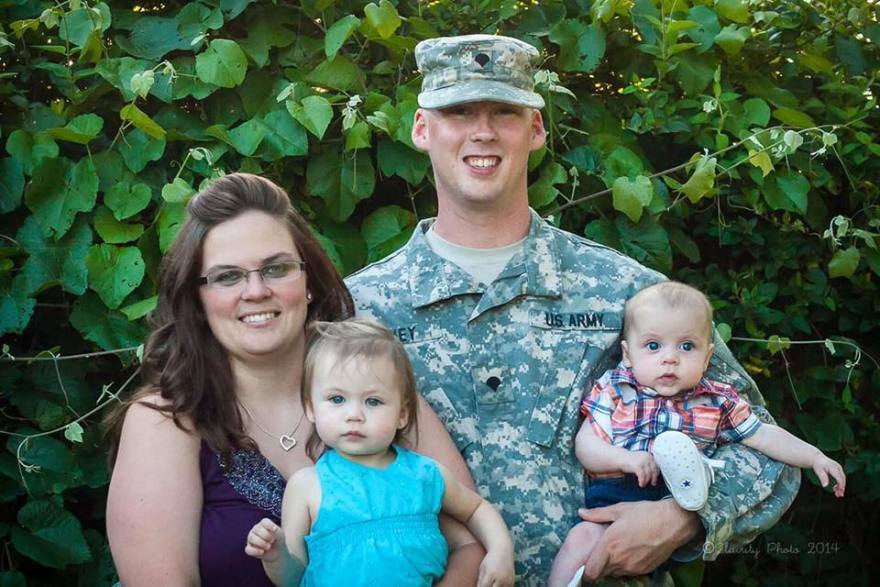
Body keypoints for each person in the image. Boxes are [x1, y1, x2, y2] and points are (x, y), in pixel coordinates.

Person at [344, 34, 801, 584]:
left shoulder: (625, 292)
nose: (483, 131)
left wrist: (680, 519)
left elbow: (765, 453)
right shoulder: (360, 308)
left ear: (535, 130)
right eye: (459, 111)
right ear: (422, 129)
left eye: (506, 112)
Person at [105, 173, 479, 586]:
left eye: (276, 268)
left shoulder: (376, 394)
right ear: (198, 299)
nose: (256, 290)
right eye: (227, 276)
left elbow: (471, 543)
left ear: (309, 283)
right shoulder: (166, 422)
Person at [548, 281, 846, 586]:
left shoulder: (717, 400)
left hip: (670, 505)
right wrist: (625, 459)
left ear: (707, 357)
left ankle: (692, 480)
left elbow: (763, 435)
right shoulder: (615, 389)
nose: (670, 358)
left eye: (686, 346)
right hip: (619, 490)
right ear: (627, 354)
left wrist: (815, 456)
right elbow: (585, 445)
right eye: (653, 346)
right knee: (581, 539)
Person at [245, 319, 515, 586]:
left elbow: (476, 508)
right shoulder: (307, 486)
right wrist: (276, 555)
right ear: (311, 408)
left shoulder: (425, 474)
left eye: (373, 401)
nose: (354, 415)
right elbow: (294, 579)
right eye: (337, 399)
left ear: (402, 414)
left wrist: (501, 551)